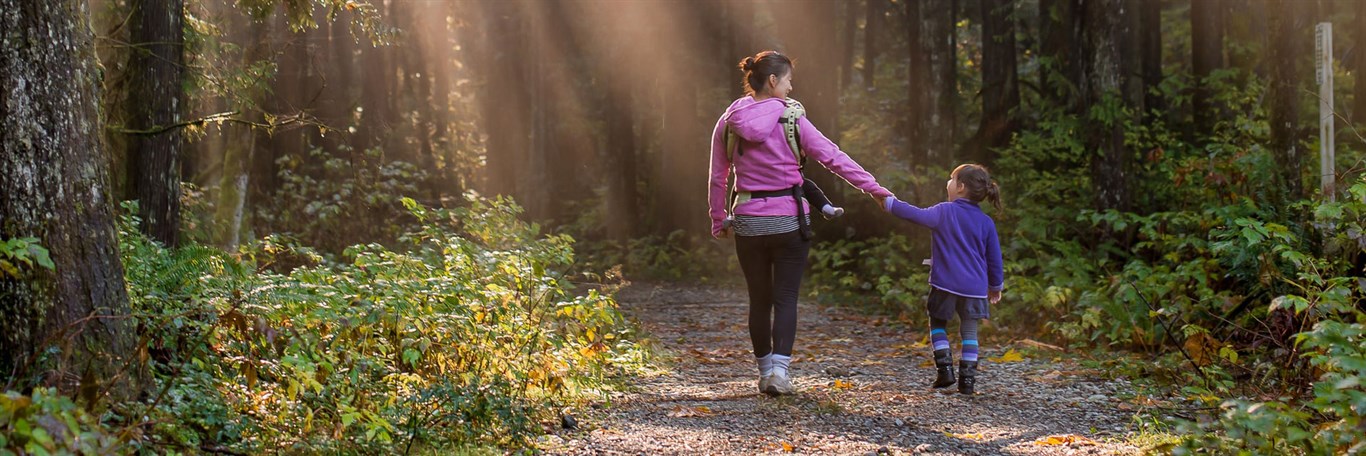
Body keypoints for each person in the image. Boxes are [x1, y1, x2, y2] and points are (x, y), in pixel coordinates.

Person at [708, 50, 893, 396]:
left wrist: (719, 218)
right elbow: (833, 158)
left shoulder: (728, 120)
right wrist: (874, 189)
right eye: (789, 80)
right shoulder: (792, 119)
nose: (792, 88)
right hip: (789, 221)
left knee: (758, 300)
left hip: (748, 221)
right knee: (786, 297)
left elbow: (718, 177)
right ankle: (780, 373)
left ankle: (764, 374)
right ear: (774, 80)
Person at [882, 163, 1004, 395]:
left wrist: (889, 203)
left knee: (937, 323)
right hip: (975, 288)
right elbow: (994, 259)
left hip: (945, 283)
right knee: (970, 332)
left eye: (951, 179)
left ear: (960, 187)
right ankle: (967, 381)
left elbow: (915, 214)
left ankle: (945, 370)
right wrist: (995, 286)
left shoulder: (944, 211)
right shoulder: (986, 222)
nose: (947, 183)